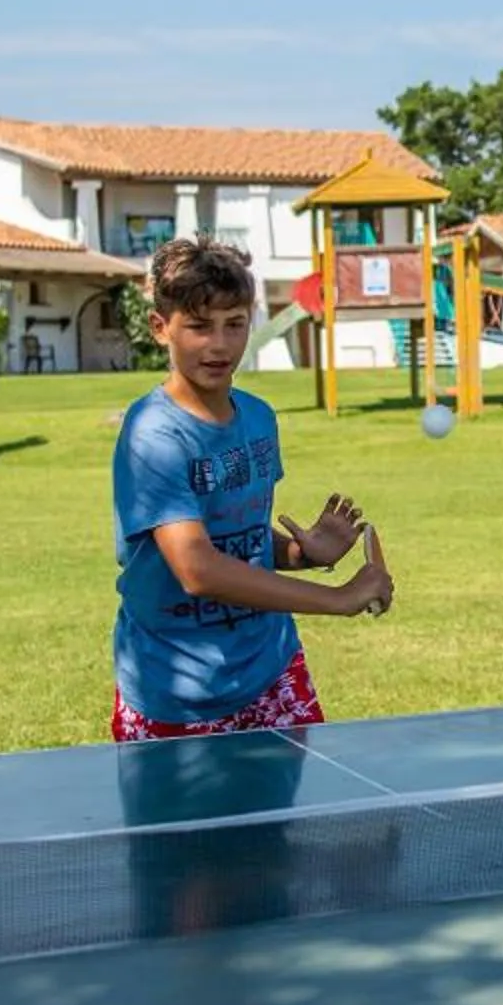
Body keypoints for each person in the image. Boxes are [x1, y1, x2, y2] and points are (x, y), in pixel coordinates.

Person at [110, 236, 393, 742]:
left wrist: (302, 553)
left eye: (234, 324)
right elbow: (197, 568)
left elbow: (237, 540)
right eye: (198, 326)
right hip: (175, 687)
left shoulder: (258, 418)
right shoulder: (153, 434)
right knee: (184, 825)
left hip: (271, 671)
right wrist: (339, 597)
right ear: (161, 328)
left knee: (290, 819)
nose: (218, 345)